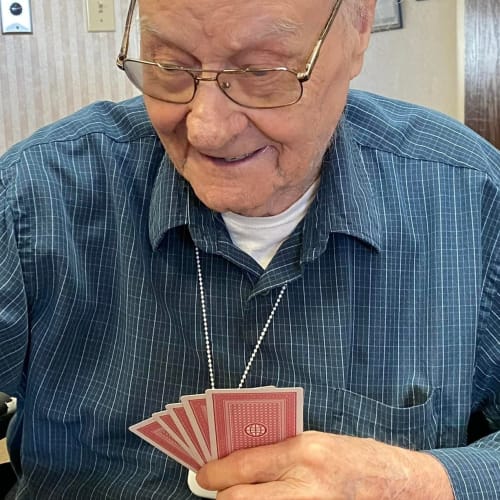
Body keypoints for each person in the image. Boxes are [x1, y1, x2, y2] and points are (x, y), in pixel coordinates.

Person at [0, 0, 498, 497]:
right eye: (170, 66)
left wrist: (415, 484)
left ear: (359, 28)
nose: (207, 129)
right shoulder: (35, 199)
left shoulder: (470, 196)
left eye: (261, 71)